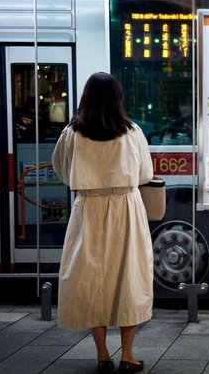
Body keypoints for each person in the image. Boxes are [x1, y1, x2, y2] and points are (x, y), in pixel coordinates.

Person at [52, 72, 153, 374]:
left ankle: (102, 354)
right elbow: (145, 174)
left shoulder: (72, 133)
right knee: (130, 278)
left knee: (91, 279)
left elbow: (61, 168)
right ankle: (129, 355)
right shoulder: (132, 131)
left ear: (86, 98)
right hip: (126, 207)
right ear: (117, 99)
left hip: (88, 208)